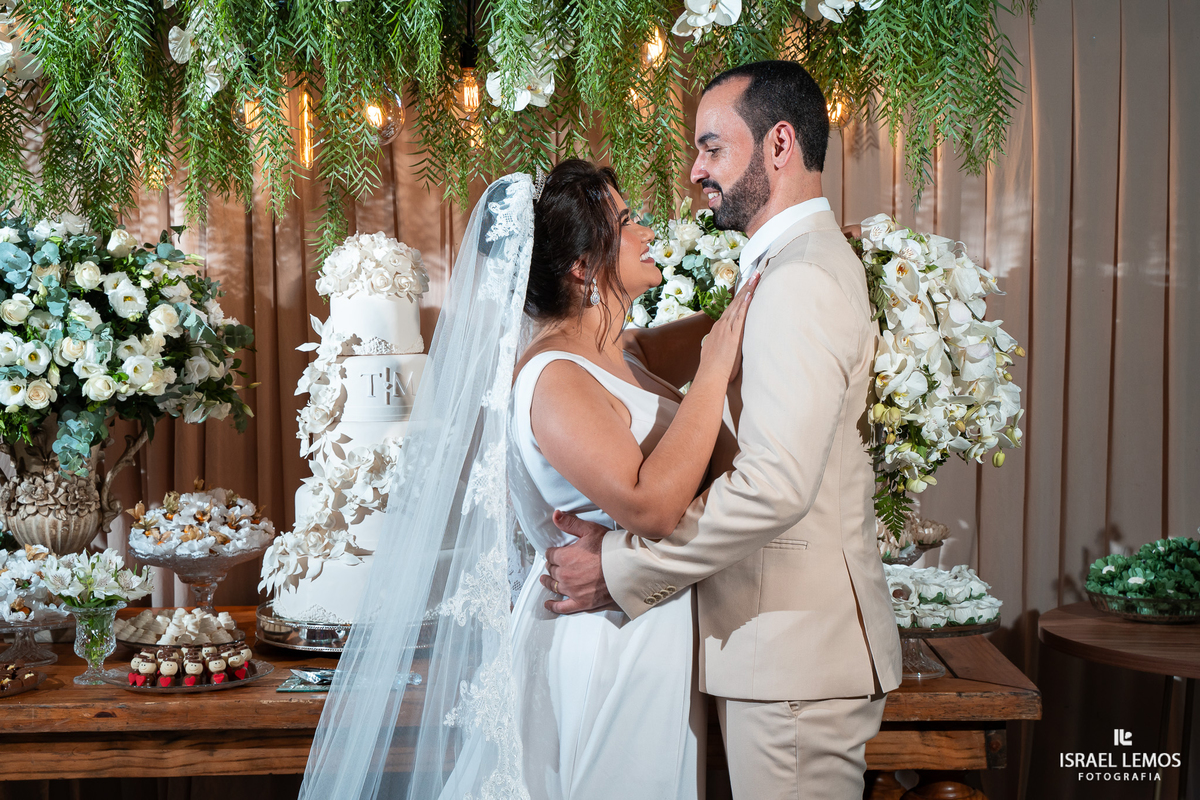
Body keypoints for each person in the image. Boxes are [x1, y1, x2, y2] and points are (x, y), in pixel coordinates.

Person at [297, 160, 755, 800]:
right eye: (625, 223)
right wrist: (711, 377)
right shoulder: (556, 379)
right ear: (580, 266)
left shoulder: (621, 352)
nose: (647, 231)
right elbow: (651, 508)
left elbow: (733, 326)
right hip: (609, 642)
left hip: (650, 627)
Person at [544, 61, 903, 799]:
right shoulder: (789, 264)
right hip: (775, 651)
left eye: (711, 148)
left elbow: (773, 488)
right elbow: (636, 359)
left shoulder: (799, 277)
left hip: (793, 659)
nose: (694, 171)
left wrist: (620, 567)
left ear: (778, 145)